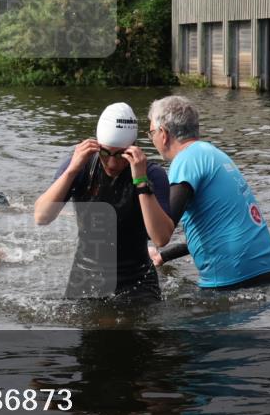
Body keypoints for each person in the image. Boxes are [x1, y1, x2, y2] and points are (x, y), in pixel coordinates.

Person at [34, 103, 172, 302]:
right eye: (106, 153)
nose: (113, 163)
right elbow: (41, 217)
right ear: (96, 145)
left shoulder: (152, 174)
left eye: (121, 154)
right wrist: (71, 171)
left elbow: (161, 239)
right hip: (86, 276)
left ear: (133, 146)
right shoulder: (80, 167)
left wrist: (141, 182)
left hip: (137, 280)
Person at [146, 96, 270, 290]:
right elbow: (216, 227)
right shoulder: (212, 153)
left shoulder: (185, 161)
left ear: (163, 133)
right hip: (265, 268)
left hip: (234, 276)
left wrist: (141, 184)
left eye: (151, 133)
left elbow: (161, 234)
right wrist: (164, 255)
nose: (152, 140)